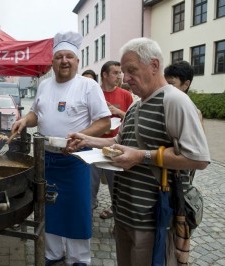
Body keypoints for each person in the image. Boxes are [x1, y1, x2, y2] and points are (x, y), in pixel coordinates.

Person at [67, 37, 210, 266]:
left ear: (154, 66)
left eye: (131, 70)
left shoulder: (175, 101)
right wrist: (87, 140)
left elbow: (198, 158)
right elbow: (119, 141)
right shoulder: (136, 104)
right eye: (123, 72)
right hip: (125, 215)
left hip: (152, 220)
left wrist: (141, 156)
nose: (126, 78)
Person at [11, 31, 111, 266]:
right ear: (53, 61)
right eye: (59, 57)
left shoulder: (88, 86)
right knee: (49, 208)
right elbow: (37, 113)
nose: (64, 61)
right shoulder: (45, 85)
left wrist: (83, 136)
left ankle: (79, 258)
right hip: (46, 158)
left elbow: (104, 122)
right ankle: (53, 254)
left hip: (76, 158)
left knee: (77, 209)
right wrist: (25, 120)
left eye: (69, 56)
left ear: (77, 60)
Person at [91, 61, 133, 218]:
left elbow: (133, 119)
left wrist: (117, 111)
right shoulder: (94, 93)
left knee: (116, 186)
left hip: (115, 148)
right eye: (115, 73)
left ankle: (117, 213)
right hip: (93, 146)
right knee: (90, 185)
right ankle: (89, 210)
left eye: (120, 73)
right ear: (105, 75)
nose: (119, 76)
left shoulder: (125, 95)